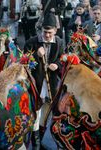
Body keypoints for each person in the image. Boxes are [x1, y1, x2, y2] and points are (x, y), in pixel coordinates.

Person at [24, 12, 65, 149]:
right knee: (35, 115)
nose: (47, 35)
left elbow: (62, 59)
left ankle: (39, 143)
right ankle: (34, 145)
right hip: (36, 85)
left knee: (44, 117)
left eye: (50, 32)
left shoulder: (59, 42)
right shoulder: (32, 42)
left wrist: (57, 65)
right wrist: (36, 55)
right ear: (41, 30)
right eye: (45, 32)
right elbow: (24, 64)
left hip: (51, 86)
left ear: (55, 30)